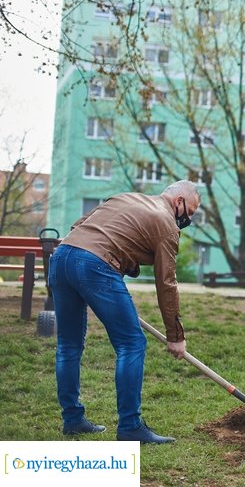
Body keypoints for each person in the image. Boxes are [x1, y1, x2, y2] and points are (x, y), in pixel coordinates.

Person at [50, 180, 201, 444]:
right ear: (179, 201)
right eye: (189, 214)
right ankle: (130, 427)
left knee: (68, 345)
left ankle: (72, 420)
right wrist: (175, 335)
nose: (187, 220)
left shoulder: (124, 198)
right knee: (132, 343)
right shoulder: (166, 224)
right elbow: (166, 283)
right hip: (95, 265)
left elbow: (78, 226)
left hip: (61, 257)